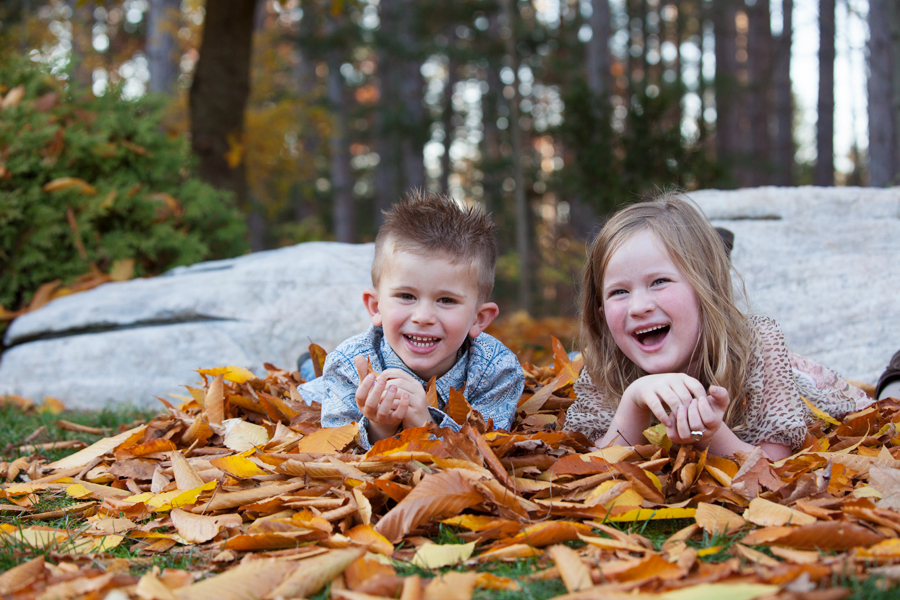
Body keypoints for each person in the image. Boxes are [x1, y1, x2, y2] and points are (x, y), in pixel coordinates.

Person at [566, 193, 871, 460]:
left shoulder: (760, 346)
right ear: (601, 311)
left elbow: (775, 466)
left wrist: (711, 435)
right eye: (619, 291)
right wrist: (634, 399)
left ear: (706, 288)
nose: (639, 306)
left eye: (659, 282)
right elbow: (591, 465)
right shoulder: (604, 364)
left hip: (830, 397)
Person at [295, 190, 524, 449]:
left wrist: (424, 426)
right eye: (406, 296)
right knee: (313, 387)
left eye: (446, 300)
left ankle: (307, 367)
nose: (423, 317)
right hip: (328, 386)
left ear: (478, 319)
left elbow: (485, 448)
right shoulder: (348, 366)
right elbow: (336, 447)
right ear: (375, 306)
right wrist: (380, 427)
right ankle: (307, 368)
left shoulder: (498, 370)